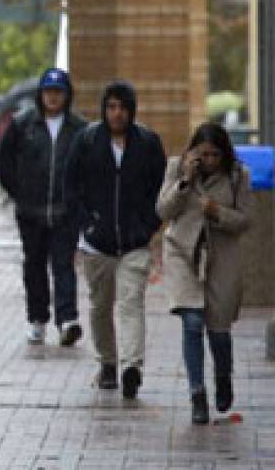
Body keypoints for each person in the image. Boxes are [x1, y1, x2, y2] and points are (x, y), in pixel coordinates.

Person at [66, 79, 167, 400]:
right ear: (103, 109)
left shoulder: (148, 143)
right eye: (111, 107)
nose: (117, 114)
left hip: (135, 243)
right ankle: (108, 362)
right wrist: (87, 223)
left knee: (131, 303)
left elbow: (160, 190)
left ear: (132, 110)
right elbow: (71, 188)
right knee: (99, 307)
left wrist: (148, 225)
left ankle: (131, 367)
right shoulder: (86, 141)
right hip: (97, 243)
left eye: (123, 107)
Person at [157, 122, 251, 424]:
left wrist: (217, 212)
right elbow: (163, 210)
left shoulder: (238, 176)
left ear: (224, 154)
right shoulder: (177, 167)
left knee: (219, 330)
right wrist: (185, 181)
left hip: (221, 256)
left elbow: (244, 221)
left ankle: (223, 376)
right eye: (202, 154)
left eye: (214, 155)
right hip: (182, 252)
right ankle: (197, 393)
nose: (208, 161)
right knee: (193, 320)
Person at [0, 67, 88, 345]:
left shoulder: (79, 128)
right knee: (34, 265)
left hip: (65, 211)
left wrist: (79, 199)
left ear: (67, 95)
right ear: (41, 94)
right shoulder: (24, 124)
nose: (53, 97)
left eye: (58, 92)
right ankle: (37, 318)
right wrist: (19, 192)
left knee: (63, 264)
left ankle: (67, 319)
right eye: (48, 91)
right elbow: (4, 161)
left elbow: (88, 168)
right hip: (31, 210)